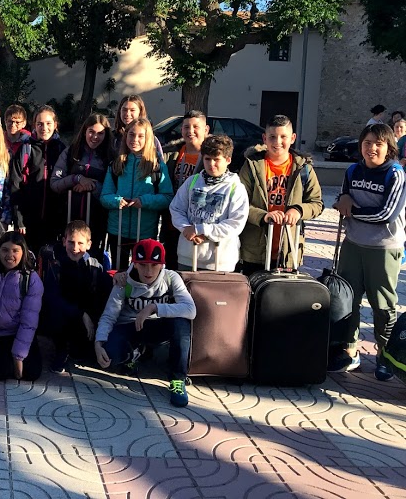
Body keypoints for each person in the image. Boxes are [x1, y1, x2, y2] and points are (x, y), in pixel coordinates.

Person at [329, 123, 406, 381]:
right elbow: (341, 201)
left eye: (378, 144)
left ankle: (385, 355)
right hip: (353, 245)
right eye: (367, 143)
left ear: (389, 148)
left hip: (383, 249)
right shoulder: (352, 170)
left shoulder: (395, 174)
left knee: (383, 305)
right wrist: (343, 202)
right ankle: (349, 350)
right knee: (348, 299)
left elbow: (386, 215)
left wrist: (352, 210)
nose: (371, 148)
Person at [94, 239, 196, 406]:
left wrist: (154, 307)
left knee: (182, 323)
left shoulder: (171, 277)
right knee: (109, 357)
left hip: (158, 325)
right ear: (134, 264)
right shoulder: (124, 280)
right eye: (143, 265)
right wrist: (98, 343)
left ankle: (178, 379)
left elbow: (191, 309)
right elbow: (109, 315)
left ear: (162, 265)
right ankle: (135, 353)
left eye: (154, 265)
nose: (148, 271)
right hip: (131, 326)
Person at [237, 115, 323, 275]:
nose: (277, 142)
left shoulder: (303, 169)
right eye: (272, 137)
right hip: (255, 249)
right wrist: (263, 216)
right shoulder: (251, 166)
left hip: (288, 249)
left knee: (282, 291)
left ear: (293, 138)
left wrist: (298, 210)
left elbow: (316, 203)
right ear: (264, 138)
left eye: (283, 136)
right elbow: (239, 204)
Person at [100, 118, 174, 268]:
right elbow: (104, 196)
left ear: (148, 139)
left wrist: (144, 201)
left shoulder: (157, 166)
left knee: (141, 273)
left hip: (144, 231)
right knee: (118, 273)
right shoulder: (116, 164)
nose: (135, 139)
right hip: (117, 230)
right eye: (131, 135)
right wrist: (117, 201)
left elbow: (167, 197)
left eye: (141, 136)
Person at [169, 135, 250, 272]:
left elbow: (236, 223)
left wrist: (202, 230)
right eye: (207, 159)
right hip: (188, 257)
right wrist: (187, 229)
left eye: (216, 159)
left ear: (228, 160)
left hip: (220, 261)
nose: (211, 164)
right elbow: (176, 208)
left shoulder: (235, 188)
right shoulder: (192, 181)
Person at [41, 220, 110, 374]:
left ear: (89, 244)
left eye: (80, 243)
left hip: (87, 319)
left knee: (82, 354)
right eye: (71, 242)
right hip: (65, 316)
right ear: (64, 241)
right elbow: (52, 299)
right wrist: (81, 314)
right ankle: (61, 350)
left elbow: (103, 296)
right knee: (55, 313)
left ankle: (82, 346)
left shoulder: (95, 267)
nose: (75, 248)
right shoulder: (55, 266)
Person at [0, 231, 44, 381]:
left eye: (15, 251)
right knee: (2, 373)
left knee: (31, 372)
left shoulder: (31, 279)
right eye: (5, 250)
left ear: (23, 252)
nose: (10, 255)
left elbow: (29, 321)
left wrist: (19, 356)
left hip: (16, 332)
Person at [51, 113, 114, 256]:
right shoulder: (70, 152)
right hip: (69, 217)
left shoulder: (110, 157)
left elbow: (112, 190)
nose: (95, 137)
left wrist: (93, 186)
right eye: (91, 131)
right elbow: (55, 183)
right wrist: (76, 179)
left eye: (100, 133)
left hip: (96, 221)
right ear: (84, 131)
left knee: (93, 260)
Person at [8, 105, 67, 254]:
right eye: (40, 124)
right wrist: (19, 220)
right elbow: (15, 185)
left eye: (48, 123)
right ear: (34, 125)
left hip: (55, 220)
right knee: (29, 259)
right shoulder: (25, 149)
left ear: (55, 124)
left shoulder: (62, 150)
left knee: (52, 260)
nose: (44, 128)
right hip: (29, 220)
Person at [160, 110, 209, 268]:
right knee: (171, 266)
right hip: (173, 222)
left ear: (206, 130)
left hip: (196, 226)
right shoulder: (171, 154)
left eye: (196, 127)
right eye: (186, 127)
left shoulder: (211, 158)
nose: (190, 131)